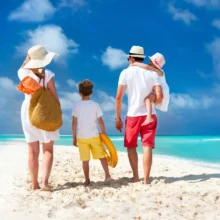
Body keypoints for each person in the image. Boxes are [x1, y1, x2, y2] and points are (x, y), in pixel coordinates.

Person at [115, 46, 163, 184]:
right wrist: (152, 98)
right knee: (147, 146)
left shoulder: (125, 73)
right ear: (142, 58)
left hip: (133, 115)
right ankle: (146, 179)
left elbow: (118, 97)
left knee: (131, 146)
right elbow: (159, 97)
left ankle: (136, 176)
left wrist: (117, 118)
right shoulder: (153, 73)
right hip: (150, 114)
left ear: (131, 58)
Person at [17, 45, 60, 191]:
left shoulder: (22, 73)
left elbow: (23, 66)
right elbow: (54, 95)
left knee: (32, 151)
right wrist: (57, 111)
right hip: (45, 113)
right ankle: (44, 183)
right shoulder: (48, 74)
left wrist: (29, 57)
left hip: (28, 112)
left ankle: (34, 183)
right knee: (48, 150)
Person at [72, 80, 111, 186]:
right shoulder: (96, 105)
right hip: (94, 136)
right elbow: (100, 121)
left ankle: (87, 179)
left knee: (85, 160)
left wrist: (74, 137)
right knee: (101, 156)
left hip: (81, 137)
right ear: (91, 92)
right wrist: (104, 133)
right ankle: (107, 175)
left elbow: (74, 123)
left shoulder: (77, 105)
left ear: (80, 93)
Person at [131, 52, 170, 125]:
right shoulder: (154, 72)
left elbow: (147, 67)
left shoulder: (160, 72)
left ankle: (149, 118)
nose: (148, 63)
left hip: (162, 93)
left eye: (150, 61)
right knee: (148, 100)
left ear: (154, 64)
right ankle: (149, 117)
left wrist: (135, 64)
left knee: (147, 99)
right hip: (158, 91)